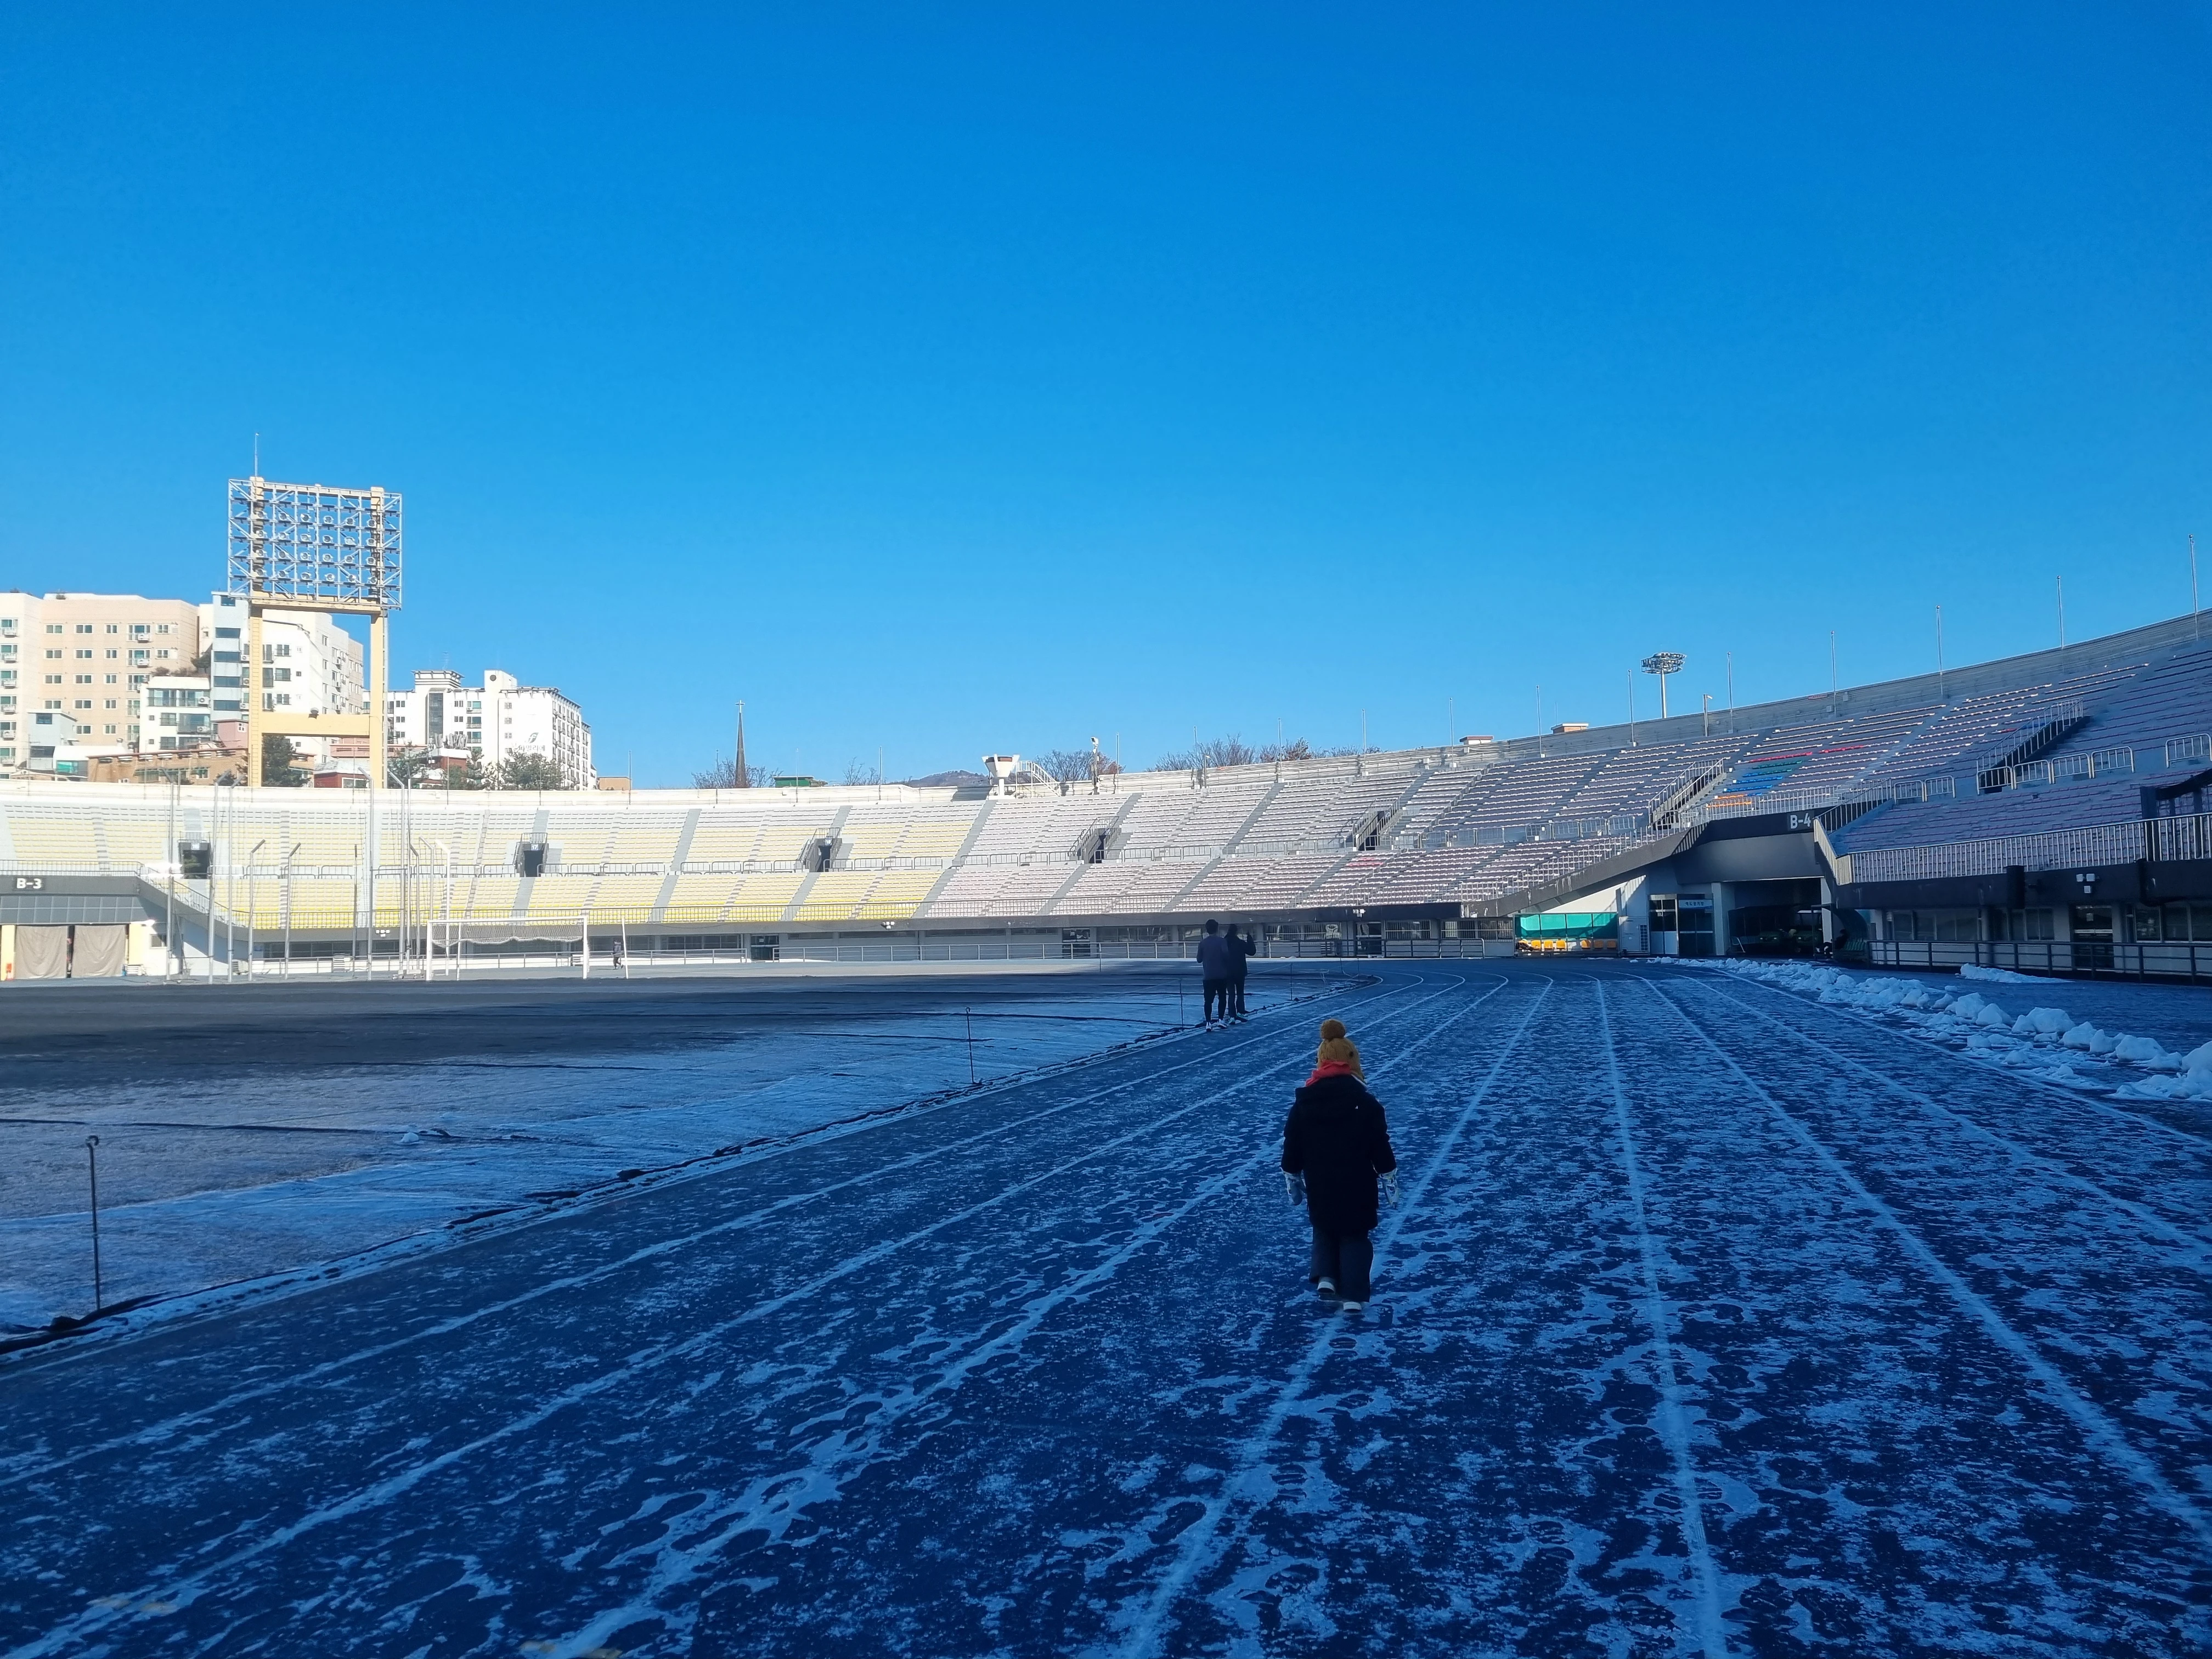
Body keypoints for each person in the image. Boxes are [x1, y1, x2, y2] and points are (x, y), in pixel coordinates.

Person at [1280, 1018, 1398, 1311]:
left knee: (1324, 1227)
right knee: (1355, 1233)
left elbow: (1292, 1141)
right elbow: (1379, 1143)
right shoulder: (1367, 1104)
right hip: (1358, 1180)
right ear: (1352, 1060)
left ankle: (1326, 1277)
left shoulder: (1304, 1104)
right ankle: (1355, 1295)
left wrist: (1292, 1172)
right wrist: (1388, 1173)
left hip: (1320, 1180)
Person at [1195, 919, 1234, 1028]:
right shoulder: (1222, 942)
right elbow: (1227, 956)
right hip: (1222, 975)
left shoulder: (1202, 943)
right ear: (1217, 929)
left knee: (1208, 1000)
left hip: (1208, 976)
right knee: (1222, 998)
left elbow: (1199, 959)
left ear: (1207, 930)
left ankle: (1208, 1022)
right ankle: (1220, 1019)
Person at [1224, 923, 1254, 1020]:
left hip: (1228, 972)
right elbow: (1252, 951)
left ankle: (1232, 1014)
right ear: (1236, 932)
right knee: (1240, 992)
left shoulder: (1224, 942)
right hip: (1240, 971)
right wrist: (1250, 939)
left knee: (1231, 994)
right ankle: (1240, 1011)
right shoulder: (1240, 943)